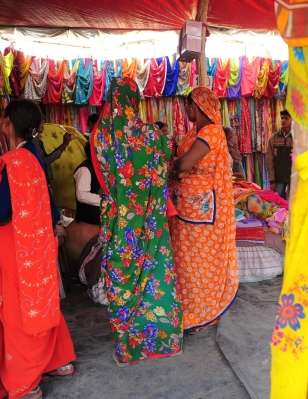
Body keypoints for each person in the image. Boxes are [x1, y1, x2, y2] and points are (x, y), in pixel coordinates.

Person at [0, 99, 75, 399]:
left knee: (19, 313)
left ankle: (26, 382)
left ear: (6, 123)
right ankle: (59, 361)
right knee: (43, 304)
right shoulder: (34, 155)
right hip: (40, 245)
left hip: (19, 250)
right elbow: (46, 197)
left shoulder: (14, 162)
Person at [91, 78, 183, 365]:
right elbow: (167, 149)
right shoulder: (147, 136)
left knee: (121, 275)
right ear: (135, 100)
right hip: (148, 219)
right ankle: (160, 338)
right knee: (155, 272)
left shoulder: (99, 134)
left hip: (117, 219)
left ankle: (127, 340)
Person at [170, 86, 238, 332]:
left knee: (199, 263)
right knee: (187, 263)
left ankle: (202, 311)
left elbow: (184, 163)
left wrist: (179, 166)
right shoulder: (194, 133)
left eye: (188, 105)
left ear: (195, 106)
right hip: (187, 211)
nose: (186, 110)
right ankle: (189, 307)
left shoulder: (210, 132)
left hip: (201, 213)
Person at [35, 116, 72, 186]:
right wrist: (64, 144)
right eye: (42, 123)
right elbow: (46, 160)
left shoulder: (34, 139)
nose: (44, 126)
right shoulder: (34, 142)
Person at [266, 110, 293, 199]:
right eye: (282, 118)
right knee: (278, 203)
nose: (283, 120)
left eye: (286, 118)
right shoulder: (274, 138)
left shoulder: (297, 138)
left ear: (292, 120)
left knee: (293, 204)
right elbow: (269, 159)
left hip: (293, 177)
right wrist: (271, 179)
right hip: (279, 178)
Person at [73, 141, 101, 225]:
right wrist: (105, 199)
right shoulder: (84, 170)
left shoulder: (100, 167)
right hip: (89, 220)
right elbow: (81, 195)